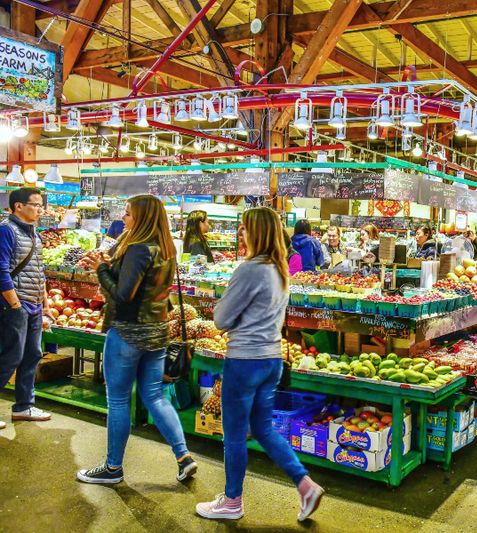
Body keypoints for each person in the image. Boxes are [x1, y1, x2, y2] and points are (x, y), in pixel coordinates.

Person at [196, 207, 324, 522]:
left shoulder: (249, 269)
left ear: (257, 233)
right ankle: (305, 484)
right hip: (271, 360)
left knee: (235, 434)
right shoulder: (279, 270)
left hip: (244, 360)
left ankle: (232, 501)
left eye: (244, 228)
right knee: (263, 429)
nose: (241, 233)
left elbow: (221, 319)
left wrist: (227, 307)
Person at [77, 195, 196, 484]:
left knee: (118, 400)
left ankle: (112, 468)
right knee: (154, 395)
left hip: (128, 332)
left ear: (141, 218)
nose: (124, 217)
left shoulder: (140, 249)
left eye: (128, 213)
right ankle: (184, 457)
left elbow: (122, 295)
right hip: (156, 332)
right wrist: (108, 262)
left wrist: (101, 270)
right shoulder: (166, 249)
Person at [0, 187, 53, 428]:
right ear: (18, 206)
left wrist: (46, 304)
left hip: (33, 306)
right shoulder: (6, 231)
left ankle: (23, 406)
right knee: (10, 357)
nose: (40, 210)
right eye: (36, 205)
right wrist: (15, 304)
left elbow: (39, 272)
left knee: (32, 355)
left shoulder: (35, 234)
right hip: (14, 306)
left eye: (42, 205)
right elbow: (1, 271)